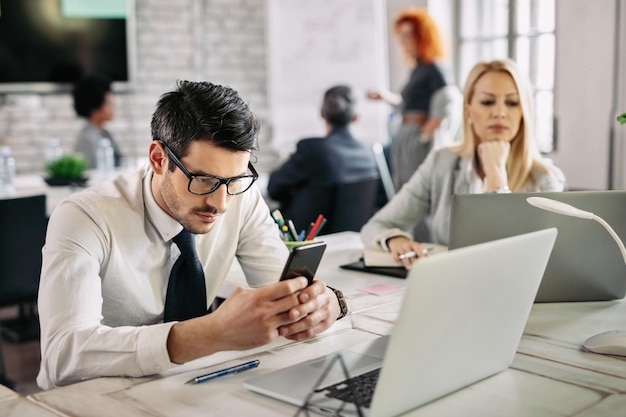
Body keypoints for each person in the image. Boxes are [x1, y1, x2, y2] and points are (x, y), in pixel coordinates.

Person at [37, 80, 346, 389]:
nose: (220, 203)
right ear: (159, 159)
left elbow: (286, 295)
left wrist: (326, 304)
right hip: (97, 399)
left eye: (234, 180)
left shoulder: (241, 197)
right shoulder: (84, 216)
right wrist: (211, 334)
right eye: (203, 180)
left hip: (195, 388)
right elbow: (62, 355)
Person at [360, 59, 566, 269]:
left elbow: (516, 260)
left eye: (512, 103)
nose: (500, 112)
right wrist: (395, 240)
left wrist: (496, 178)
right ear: (468, 112)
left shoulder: (545, 179)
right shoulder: (442, 162)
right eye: (487, 102)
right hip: (450, 289)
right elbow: (376, 226)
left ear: (523, 113)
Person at [267, 85, 379, 232]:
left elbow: (274, 188)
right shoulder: (369, 154)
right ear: (356, 117)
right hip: (351, 240)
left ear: (321, 113)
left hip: (306, 239)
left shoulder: (313, 149)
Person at [367, 7, 451, 191]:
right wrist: (384, 97)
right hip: (407, 134)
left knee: (417, 189)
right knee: (404, 187)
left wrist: (425, 135)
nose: (403, 41)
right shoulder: (418, 69)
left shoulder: (433, 68)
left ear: (422, 36)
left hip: (417, 137)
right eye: (401, 35)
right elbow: (407, 105)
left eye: (408, 34)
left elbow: (447, 101)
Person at [72, 74, 123, 168]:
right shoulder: (87, 139)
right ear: (96, 105)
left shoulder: (106, 133)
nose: (113, 108)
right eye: (109, 103)